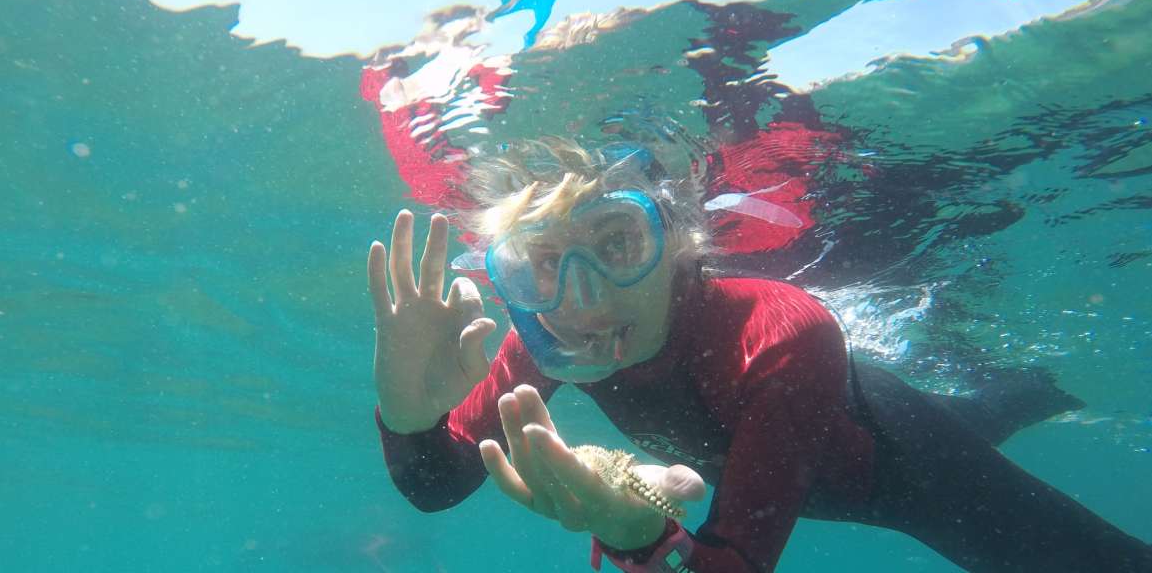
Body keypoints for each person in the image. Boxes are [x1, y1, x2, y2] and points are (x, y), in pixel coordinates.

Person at [366, 138, 1152, 572]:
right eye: (539, 260)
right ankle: (1018, 392)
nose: (587, 299)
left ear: (678, 241)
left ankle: (1034, 387)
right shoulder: (547, 336)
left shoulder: (785, 330)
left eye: (616, 243)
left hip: (900, 468)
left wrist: (641, 540)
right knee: (979, 412)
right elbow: (437, 487)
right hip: (809, 437)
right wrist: (405, 409)